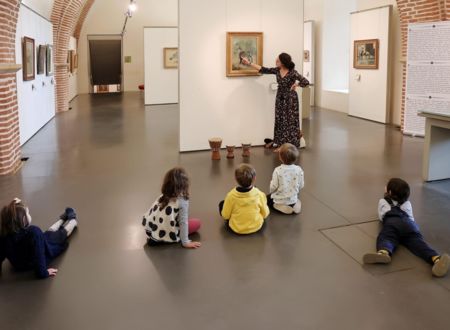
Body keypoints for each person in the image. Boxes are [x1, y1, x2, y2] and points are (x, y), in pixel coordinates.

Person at [363, 178, 449, 277]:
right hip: (409, 226)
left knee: (386, 237)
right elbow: (411, 218)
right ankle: (436, 259)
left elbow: (381, 216)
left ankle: (384, 252)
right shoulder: (407, 204)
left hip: (392, 224)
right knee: (419, 244)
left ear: (389, 192)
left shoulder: (383, 201)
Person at [242, 53, 309, 151]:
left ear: (283, 62)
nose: (276, 61)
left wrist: (296, 84)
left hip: (290, 100)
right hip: (280, 98)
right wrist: (249, 63)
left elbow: (306, 82)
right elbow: (263, 69)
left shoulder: (293, 72)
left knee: (289, 122)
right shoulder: (277, 70)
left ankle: (289, 146)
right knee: (280, 121)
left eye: (278, 61)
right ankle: (281, 145)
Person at [0, 198, 78, 279]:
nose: (29, 214)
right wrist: (44, 272)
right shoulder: (34, 232)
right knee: (60, 234)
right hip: (34, 260)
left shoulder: (4, 235)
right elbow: (39, 255)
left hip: (19, 265)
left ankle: (62, 219)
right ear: (24, 220)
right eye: (28, 213)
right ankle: (73, 220)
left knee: (48, 233)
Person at [142, 167, 201, 249]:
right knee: (197, 223)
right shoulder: (182, 200)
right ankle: (165, 239)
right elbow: (183, 222)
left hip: (152, 232)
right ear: (184, 184)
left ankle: (157, 237)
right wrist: (186, 242)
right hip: (168, 233)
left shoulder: (162, 196)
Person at [219, 164, 270, 234]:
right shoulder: (259, 194)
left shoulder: (231, 196)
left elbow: (225, 216)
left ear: (235, 179)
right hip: (256, 226)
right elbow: (265, 214)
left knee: (222, 203)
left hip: (236, 228)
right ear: (254, 178)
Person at [267, 143, 304, 214]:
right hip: (292, 198)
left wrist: (271, 192)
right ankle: (295, 205)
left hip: (279, 199)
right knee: (295, 199)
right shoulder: (299, 169)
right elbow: (301, 185)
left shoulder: (278, 170)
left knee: (267, 199)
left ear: (280, 157)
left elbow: (273, 186)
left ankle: (278, 206)